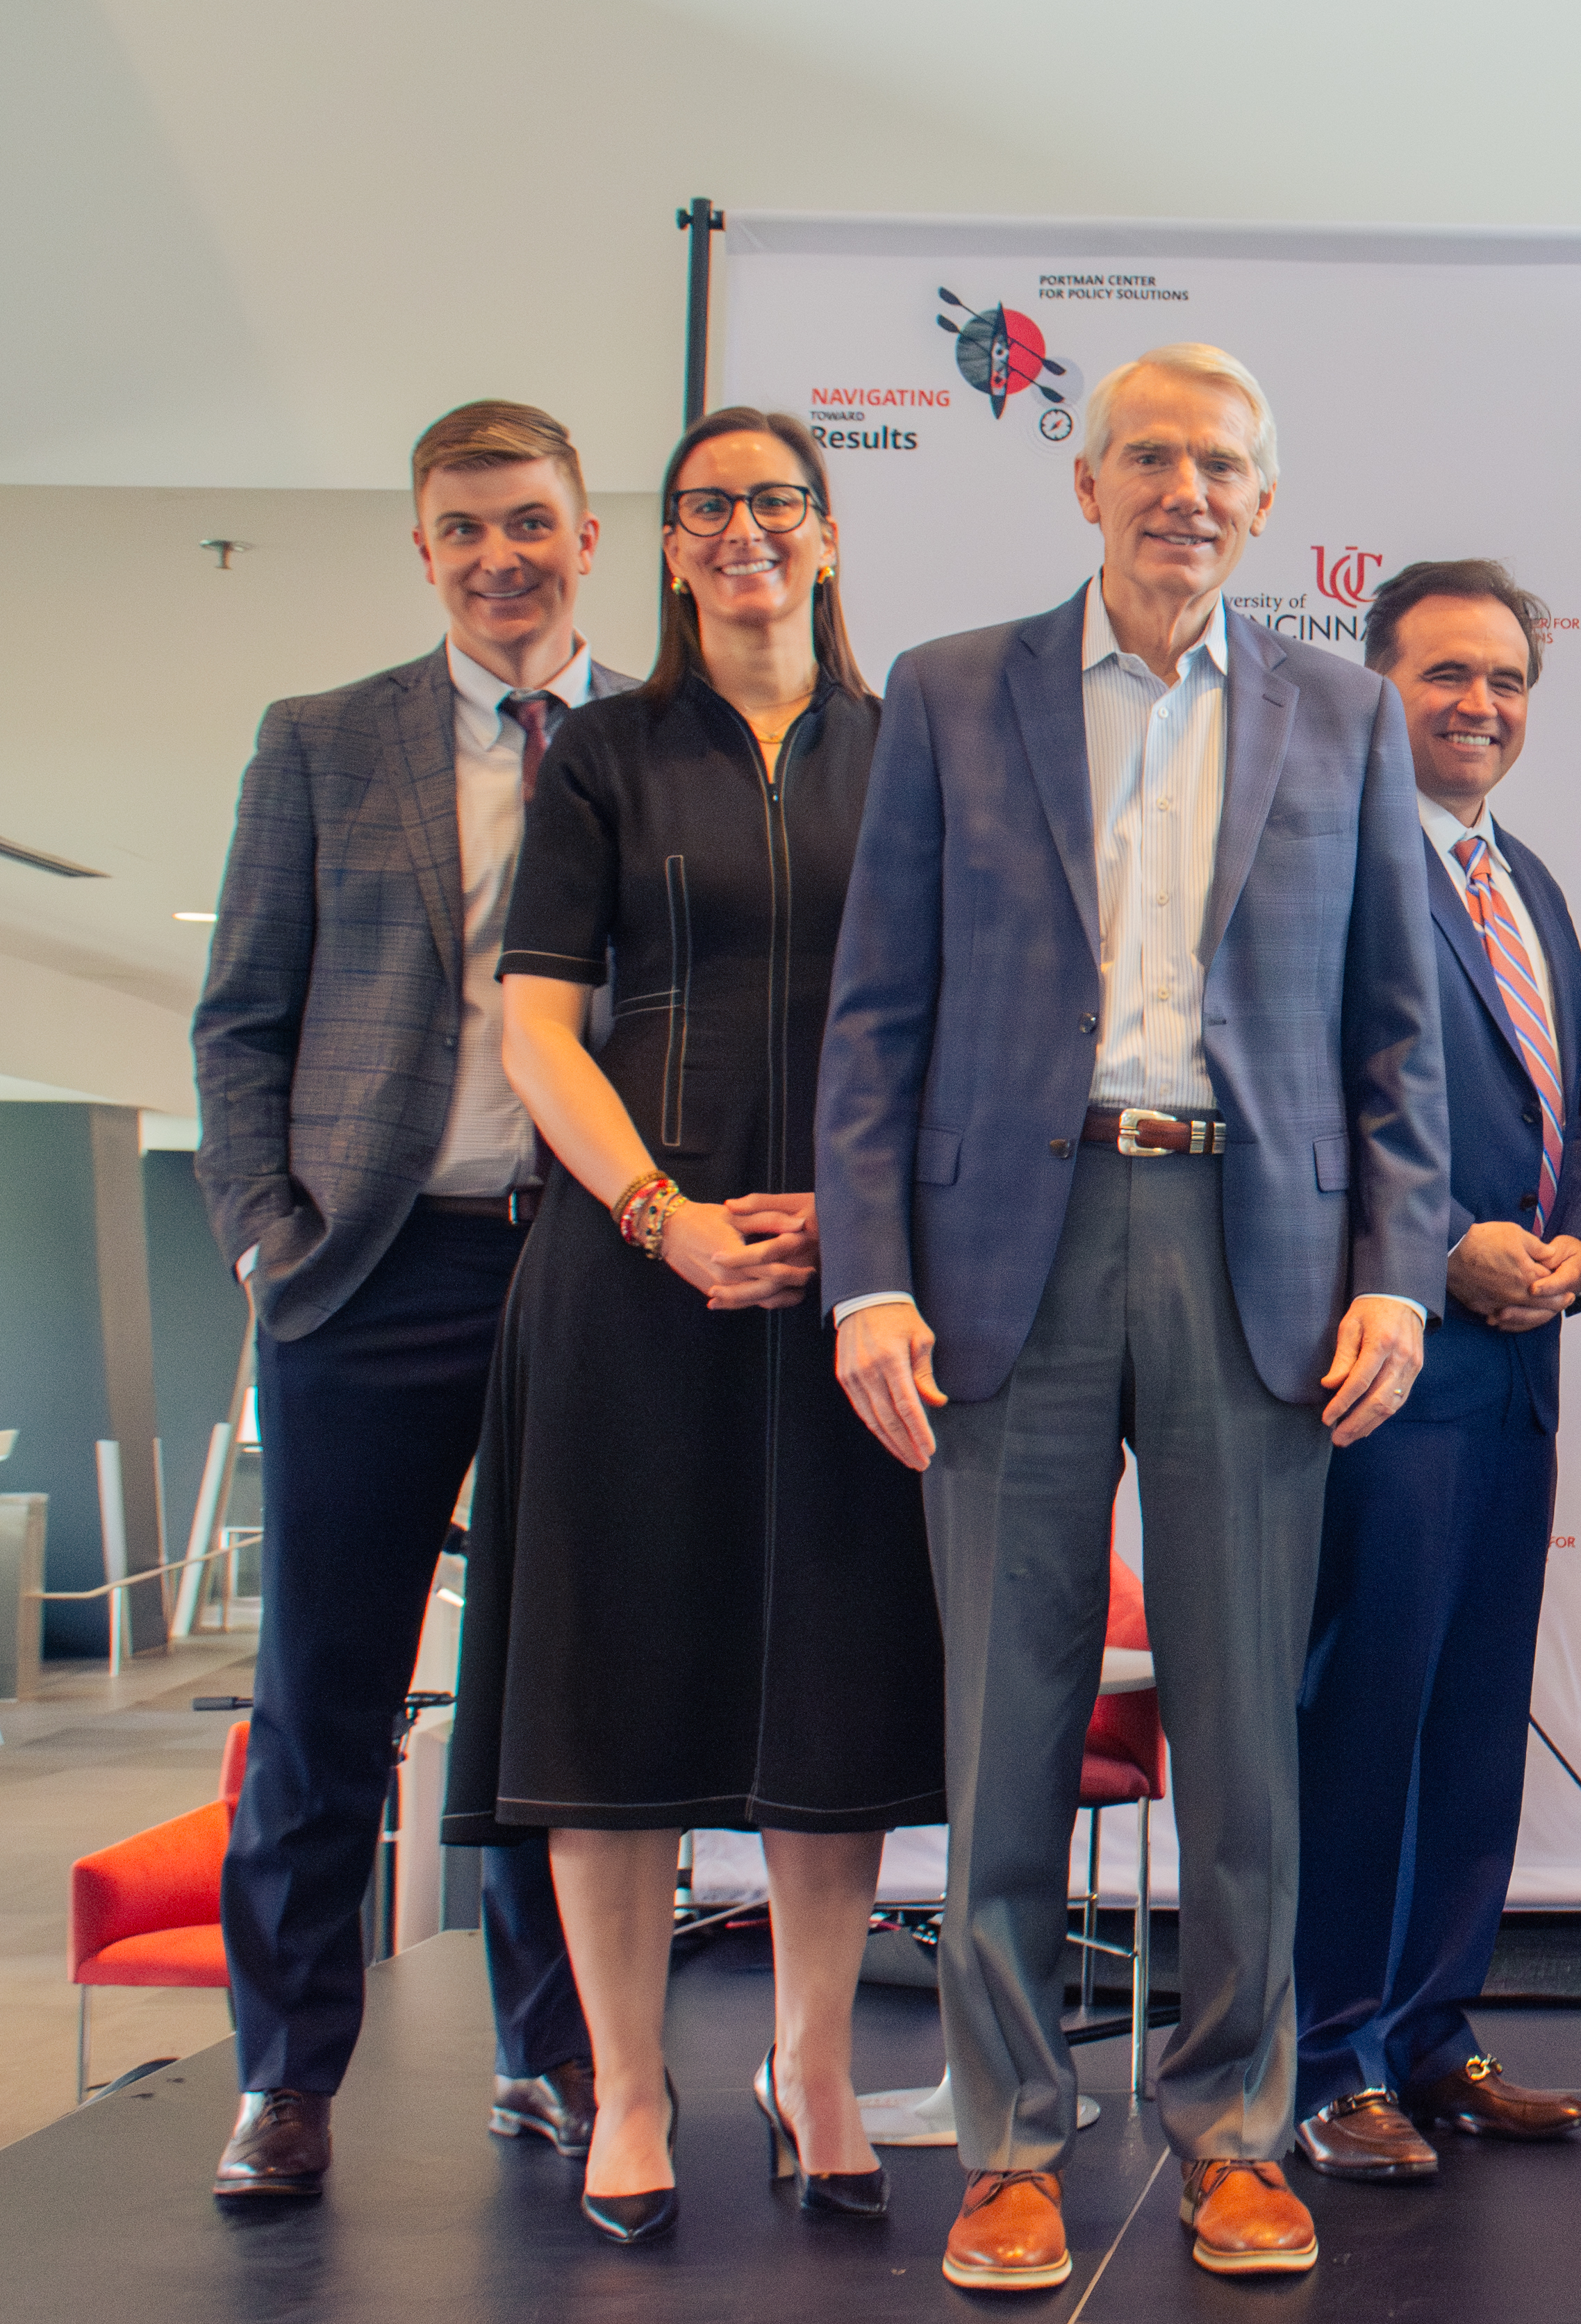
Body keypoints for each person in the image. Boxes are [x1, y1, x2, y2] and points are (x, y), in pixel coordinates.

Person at [816, 343, 1446, 2292]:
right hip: (1003, 1244)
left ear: (1266, 503)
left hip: (1258, 1250)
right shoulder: (948, 691)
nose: (1187, 491)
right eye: (1150, 457)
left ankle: (1236, 2131)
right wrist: (868, 1275)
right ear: (1084, 485)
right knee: (1006, 1719)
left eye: (1222, 465)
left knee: (1244, 1734)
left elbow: (1396, 1031)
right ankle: (1009, 2140)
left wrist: (1399, 1271)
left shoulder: (1344, 712)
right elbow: (877, 1014)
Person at [438, 407, 949, 2243]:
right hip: (632, 1282)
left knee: (836, 1692)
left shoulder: (913, 749)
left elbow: (964, 1023)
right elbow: (537, 1026)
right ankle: (633, 2088)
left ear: (828, 533)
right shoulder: (603, 756)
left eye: (778, 501)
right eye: (709, 505)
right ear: (664, 547)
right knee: (615, 1690)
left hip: (850, 1294)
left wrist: (875, 1222)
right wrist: (662, 1216)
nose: (746, 529)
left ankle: (814, 2068)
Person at [190, 399, 609, 2201]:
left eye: (528, 520)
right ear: (423, 549)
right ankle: (286, 2076)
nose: (499, 556)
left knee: (557, 1691)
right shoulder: (320, 741)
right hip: (365, 1270)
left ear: (586, 535)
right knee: (324, 1691)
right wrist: (262, 1236)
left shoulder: (655, 740)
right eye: (463, 528)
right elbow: (240, 1020)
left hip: (583, 1269)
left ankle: (554, 2051)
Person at [1289, 560, 1581, 2184]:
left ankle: (1432, 2033)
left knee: (1474, 1717)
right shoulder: (1325, 858)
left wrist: (1580, 1247)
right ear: (1375, 687)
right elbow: (1292, 1109)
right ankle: (1326, 2055)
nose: (1481, 703)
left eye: (1507, 678)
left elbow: (1572, 1111)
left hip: (1520, 1365)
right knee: (1365, 1715)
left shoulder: (1529, 878)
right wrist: (1434, 1254)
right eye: (1447, 674)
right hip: (1388, 1361)